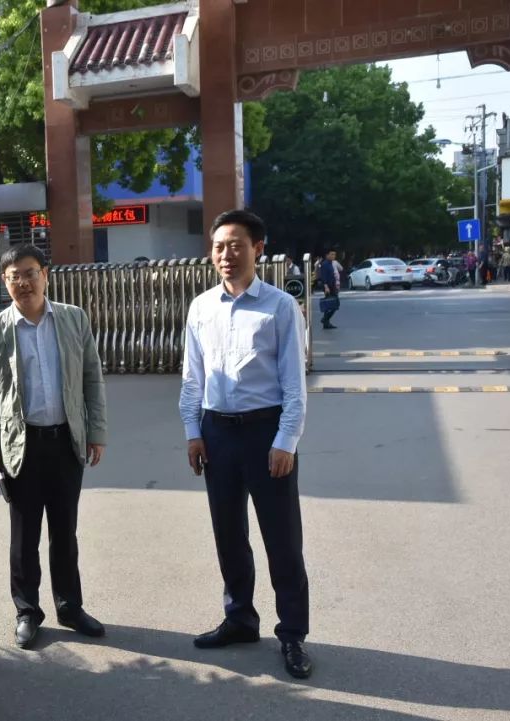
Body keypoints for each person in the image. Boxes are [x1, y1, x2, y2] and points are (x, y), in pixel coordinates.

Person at [179, 210, 312, 680]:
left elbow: (295, 384)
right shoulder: (200, 308)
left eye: (235, 245)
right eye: (218, 246)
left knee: (282, 540)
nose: (225, 254)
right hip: (218, 433)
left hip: (265, 432)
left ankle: (293, 634)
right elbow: (192, 379)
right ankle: (239, 618)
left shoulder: (279, 307)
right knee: (229, 534)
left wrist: (285, 441)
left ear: (258, 248)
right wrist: (193, 431)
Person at [0, 244, 108, 650]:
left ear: (45, 274)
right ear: (5, 282)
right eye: (14, 276)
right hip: (21, 447)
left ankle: (70, 606)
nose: (23, 282)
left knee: (64, 532)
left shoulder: (72, 319)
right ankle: (28, 611)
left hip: (65, 441)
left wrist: (96, 431)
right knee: (24, 535)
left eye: (29, 273)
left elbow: (91, 377)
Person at [318, 249, 340, 329]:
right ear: (327, 255)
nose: (333, 256)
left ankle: (326, 323)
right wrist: (326, 286)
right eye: (331, 254)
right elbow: (323, 276)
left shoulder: (331, 263)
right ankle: (325, 319)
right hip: (328, 287)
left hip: (332, 286)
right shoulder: (325, 264)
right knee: (335, 304)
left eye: (334, 254)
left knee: (329, 305)